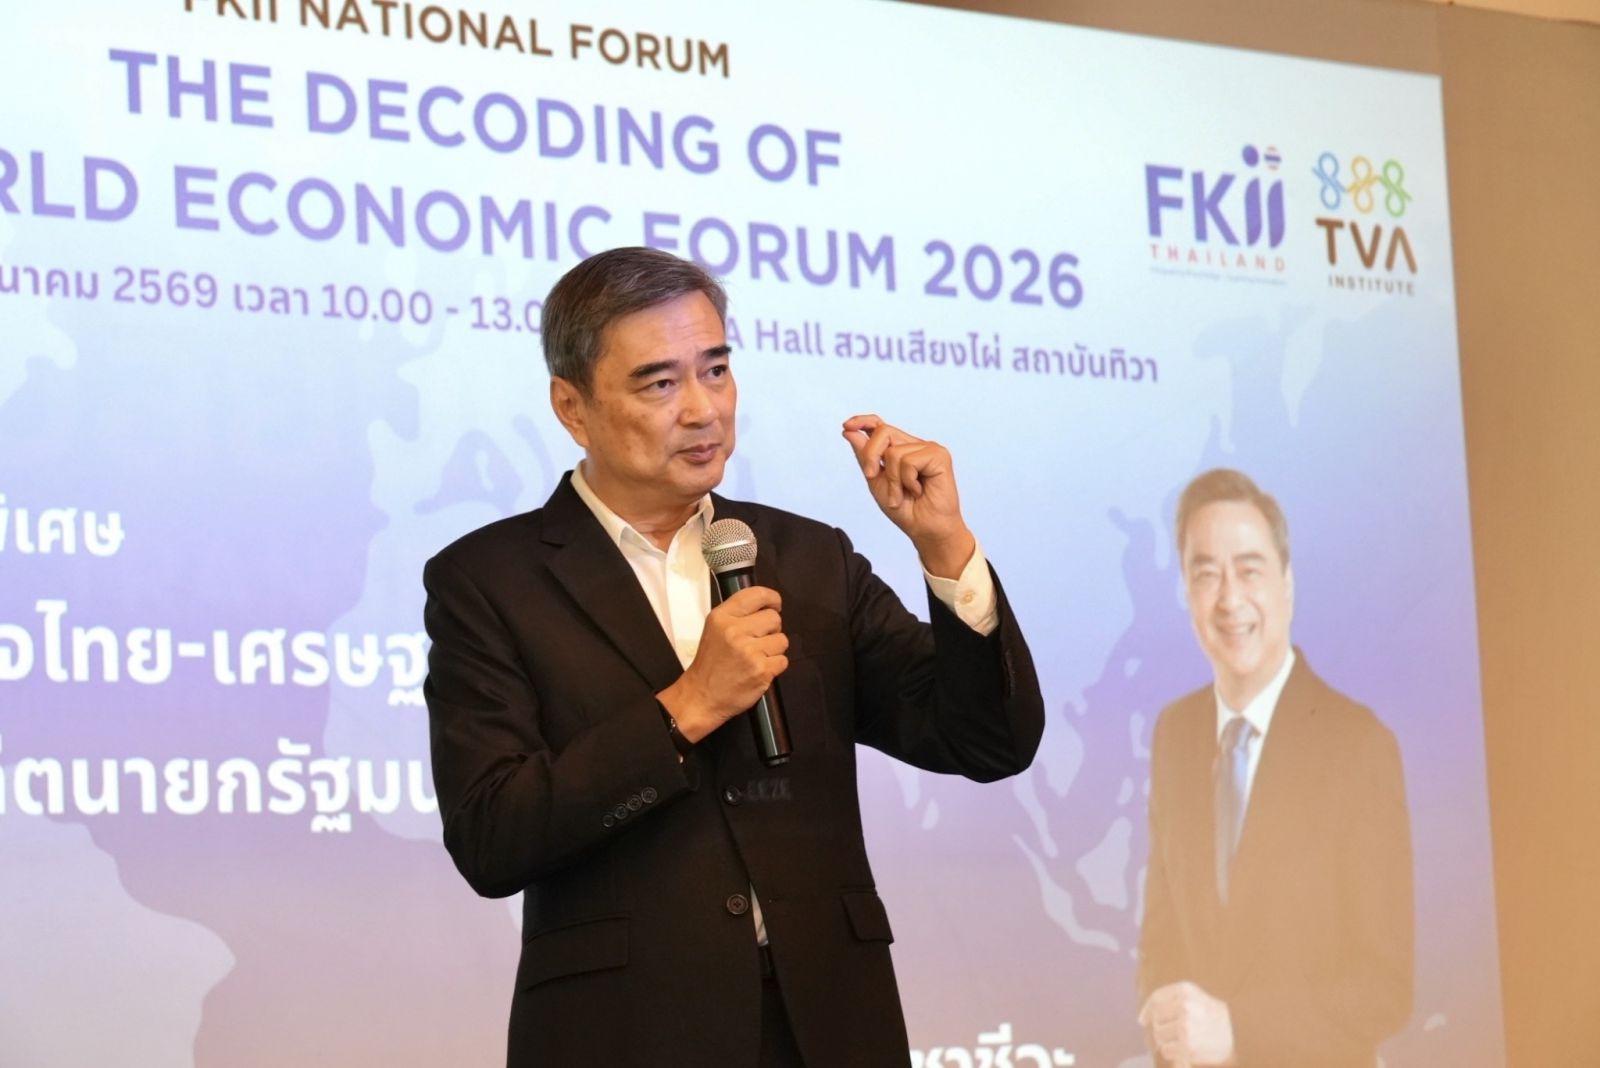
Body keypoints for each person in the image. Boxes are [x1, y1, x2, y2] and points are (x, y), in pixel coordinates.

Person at [422, 246, 1044, 1067]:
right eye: (659, 384)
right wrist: (687, 708)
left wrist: (945, 550)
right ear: (572, 407)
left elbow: (988, 742)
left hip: (829, 1027)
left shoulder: (809, 559)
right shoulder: (490, 580)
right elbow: (492, 836)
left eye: (715, 370)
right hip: (625, 1035)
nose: (703, 410)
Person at [1136, 468, 1414, 1068]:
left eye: (1250, 570)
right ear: (1186, 593)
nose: (1229, 599)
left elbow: (1384, 986)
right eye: (1205, 574)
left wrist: (1239, 1030)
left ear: (1287, 583)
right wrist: (1166, 1017)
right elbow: (1162, 937)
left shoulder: (1357, 745)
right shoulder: (1174, 734)